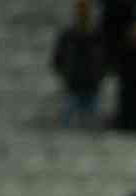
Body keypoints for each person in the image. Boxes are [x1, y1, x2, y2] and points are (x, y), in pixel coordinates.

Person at [52, 0, 106, 128]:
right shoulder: (68, 36)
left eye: (86, 10)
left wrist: (98, 76)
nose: (83, 13)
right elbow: (57, 60)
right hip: (73, 89)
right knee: (67, 127)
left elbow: (105, 61)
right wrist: (66, 75)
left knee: (92, 128)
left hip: (92, 89)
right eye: (81, 10)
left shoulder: (97, 36)